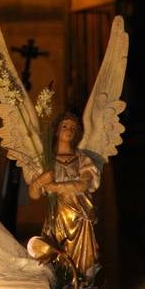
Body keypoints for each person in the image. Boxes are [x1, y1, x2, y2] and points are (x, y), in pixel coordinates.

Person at [27, 113, 101, 278]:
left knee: (83, 263)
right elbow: (34, 194)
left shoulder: (82, 159)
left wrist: (54, 186)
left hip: (80, 216)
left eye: (73, 128)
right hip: (57, 217)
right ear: (56, 130)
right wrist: (40, 181)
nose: (69, 130)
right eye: (65, 126)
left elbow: (83, 184)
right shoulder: (46, 160)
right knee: (57, 258)